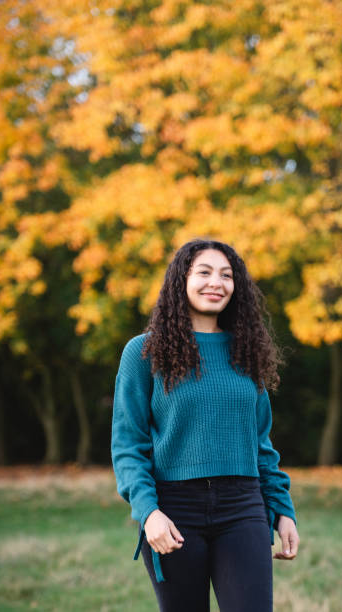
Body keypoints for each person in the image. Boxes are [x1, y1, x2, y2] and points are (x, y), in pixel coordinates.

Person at [111, 238, 299, 612]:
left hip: (243, 507)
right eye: (205, 272)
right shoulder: (144, 352)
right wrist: (149, 513)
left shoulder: (247, 351)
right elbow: (128, 443)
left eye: (227, 276)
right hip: (174, 510)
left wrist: (282, 509)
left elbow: (260, 442)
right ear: (181, 279)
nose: (217, 282)